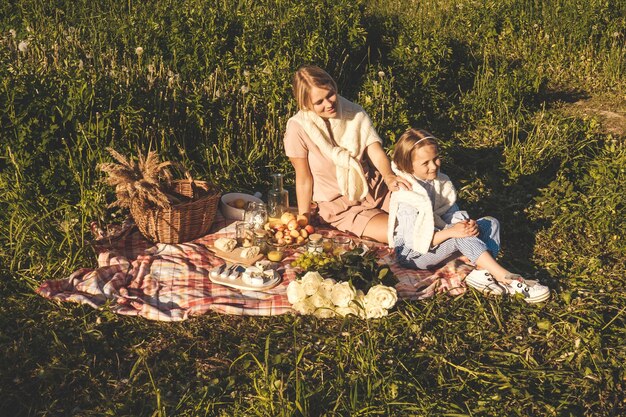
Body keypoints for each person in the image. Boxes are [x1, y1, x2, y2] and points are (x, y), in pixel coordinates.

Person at [387, 128, 550, 303]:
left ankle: (480, 272)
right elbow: (415, 242)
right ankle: (507, 278)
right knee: (459, 236)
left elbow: (450, 212)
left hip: (439, 237)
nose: (434, 166)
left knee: (490, 223)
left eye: (436, 158)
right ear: (407, 165)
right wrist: (452, 232)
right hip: (414, 254)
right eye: (426, 163)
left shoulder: (439, 181)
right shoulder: (406, 195)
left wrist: (465, 224)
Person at [283, 65, 410, 243]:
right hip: (341, 206)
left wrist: (389, 176)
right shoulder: (298, 127)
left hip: (374, 189)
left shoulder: (354, 112)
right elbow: (303, 178)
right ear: (305, 104)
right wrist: (304, 221)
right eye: (319, 102)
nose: (329, 104)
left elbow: (374, 149)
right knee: (402, 232)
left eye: (330, 95)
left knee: (423, 214)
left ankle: (459, 239)